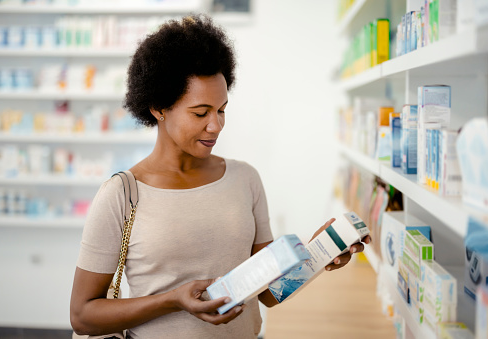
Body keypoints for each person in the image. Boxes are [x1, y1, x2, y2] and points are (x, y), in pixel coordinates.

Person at [70, 14, 370, 339]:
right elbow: (83, 315)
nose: (216, 125)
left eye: (222, 109)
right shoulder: (121, 194)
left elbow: (267, 293)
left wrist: (316, 254)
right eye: (200, 113)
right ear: (159, 108)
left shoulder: (245, 180)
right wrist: (173, 301)